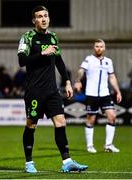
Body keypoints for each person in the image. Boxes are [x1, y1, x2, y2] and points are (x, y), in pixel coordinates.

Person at [17, 6, 88, 173]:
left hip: (52, 91)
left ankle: (67, 162)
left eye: (46, 16)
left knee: (61, 122)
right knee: (31, 125)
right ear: (34, 20)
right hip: (34, 91)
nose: (43, 19)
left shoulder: (53, 37)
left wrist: (68, 82)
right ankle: (29, 163)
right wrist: (42, 53)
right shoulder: (27, 37)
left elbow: (59, 61)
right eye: (40, 16)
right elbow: (22, 61)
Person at [74, 39, 122, 153]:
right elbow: (81, 71)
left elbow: (111, 77)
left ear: (104, 48)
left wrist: (118, 91)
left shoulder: (108, 61)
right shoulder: (89, 59)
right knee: (91, 120)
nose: (99, 48)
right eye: (97, 46)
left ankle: (108, 145)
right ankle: (90, 146)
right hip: (92, 94)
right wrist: (78, 81)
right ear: (94, 47)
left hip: (105, 94)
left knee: (112, 116)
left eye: (101, 46)